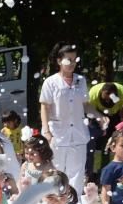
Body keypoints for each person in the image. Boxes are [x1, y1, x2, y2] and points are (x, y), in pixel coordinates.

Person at [39, 43, 93, 196]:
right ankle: (55, 200)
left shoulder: (80, 80)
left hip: (78, 133)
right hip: (58, 133)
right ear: (59, 61)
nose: (72, 63)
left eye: (75, 60)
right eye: (68, 60)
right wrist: (46, 131)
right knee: (57, 170)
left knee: (77, 172)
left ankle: (73, 203)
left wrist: (100, 116)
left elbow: (85, 104)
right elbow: (45, 106)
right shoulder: (50, 82)